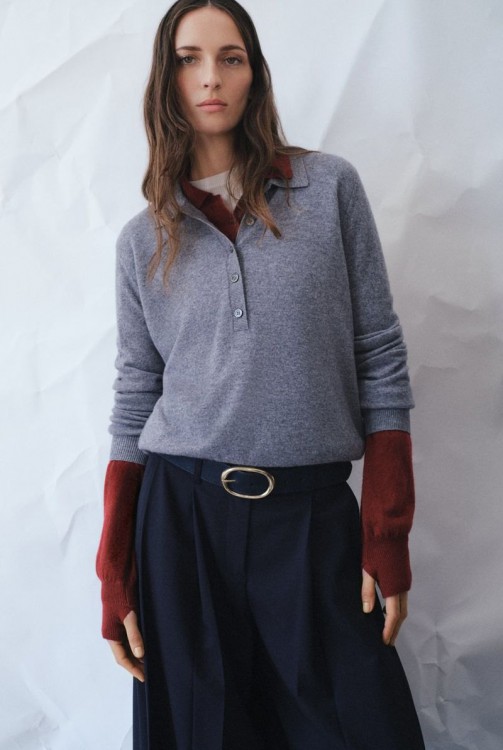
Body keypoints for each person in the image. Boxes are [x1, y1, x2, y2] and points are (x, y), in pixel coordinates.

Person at [95, 1, 426, 748]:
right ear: (165, 79)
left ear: (255, 74)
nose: (210, 77)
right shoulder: (142, 240)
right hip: (182, 524)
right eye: (188, 59)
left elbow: (379, 356)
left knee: (360, 726)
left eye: (230, 57)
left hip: (312, 518)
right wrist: (114, 571)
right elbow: (135, 397)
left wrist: (386, 533)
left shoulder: (329, 189)